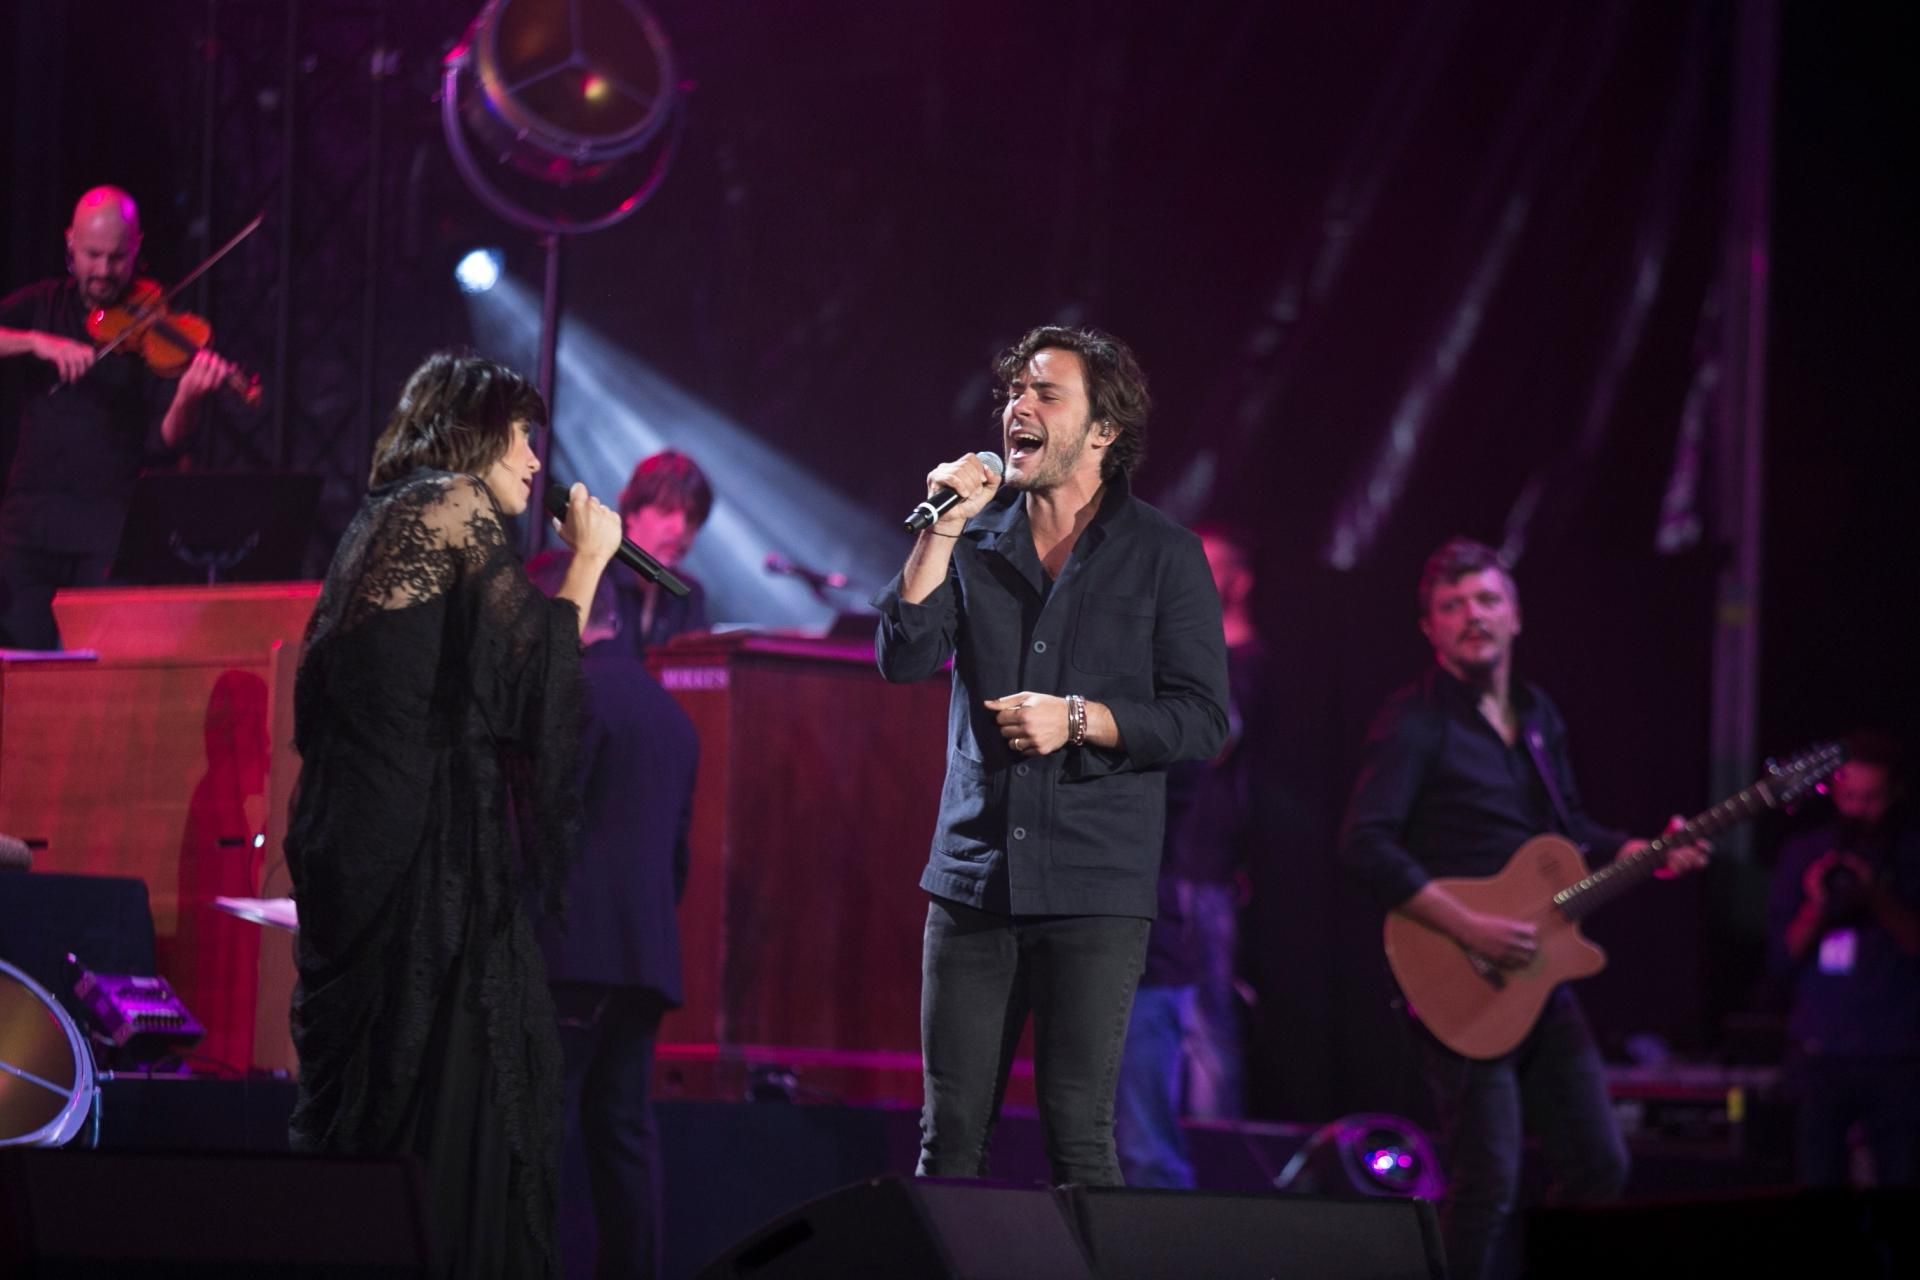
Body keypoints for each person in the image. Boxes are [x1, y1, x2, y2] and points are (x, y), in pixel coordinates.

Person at [285, 351, 622, 1278]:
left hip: (363, 851)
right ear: (475, 435)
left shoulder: (378, 519)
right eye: (520, 437)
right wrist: (590, 561)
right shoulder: (451, 503)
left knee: (374, 1133)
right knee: (452, 1117)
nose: (535, 461)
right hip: (420, 872)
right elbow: (528, 687)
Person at [874, 323, 1229, 1186]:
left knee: (1080, 1139)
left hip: (1093, 886)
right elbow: (904, 658)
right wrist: (941, 528)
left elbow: (1202, 720)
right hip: (974, 881)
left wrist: (1080, 719)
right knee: (948, 1140)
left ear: (1103, 428)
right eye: (1013, 393)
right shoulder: (973, 539)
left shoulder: (1163, 555)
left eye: (1044, 393)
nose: (1017, 408)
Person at [1338, 536, 1706, 1280]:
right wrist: (1469, 925)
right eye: (1453, 606)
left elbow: (1567, 832)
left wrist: (1643, 849)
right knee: (1488, 1184)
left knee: (1600, 1165)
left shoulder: (1538, 716)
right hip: (1459, 973)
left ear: (1515, 615)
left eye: (1486, 600)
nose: (1472, 616)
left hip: (1538, 976)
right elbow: (1363, 842)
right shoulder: (1415, 720)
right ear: (1430, 629)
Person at [528, 566, 700, 1280]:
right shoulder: (672, 716)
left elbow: (544, 827)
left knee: (535, 1130)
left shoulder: (576, 694)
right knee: (623, 1135)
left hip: (568, 956)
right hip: (645, 961)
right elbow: (676, 859)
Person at [0, 186, 235, 648]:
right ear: (70, 242)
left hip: (107, 532)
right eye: (92, 255)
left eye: (117, 257)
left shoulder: (155, 325)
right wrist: (36, 342)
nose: (104, 271)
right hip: (27, 527)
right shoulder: (44, 304)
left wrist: (188, 396)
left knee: (105, 668)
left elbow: (166, 441)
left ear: (136, 248)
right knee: (17, 668)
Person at [1114, 522, 1264, 1187]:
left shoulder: (1237, 664)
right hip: (1151, 876)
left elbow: (1208, 743)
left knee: (1203, 1021)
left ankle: (1216, 1157)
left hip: (1196, 871)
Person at [1767, 729, 1920, 1189]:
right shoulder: (1804, 854)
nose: (1858, 809)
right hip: (1821, 1053)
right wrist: (1817, 905)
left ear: (1894, 793)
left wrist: (1875, 894)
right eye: (1850, 796)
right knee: (1817, 1183)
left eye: (1871, 798)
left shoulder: (1911, 853)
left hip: (1897, 1054)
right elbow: (1782, 959)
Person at [526, 449, 712, 658]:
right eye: (666, 511)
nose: (680, 529)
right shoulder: (586, 573)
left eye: (691, 518)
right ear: (632, 512)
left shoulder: (688, 597)